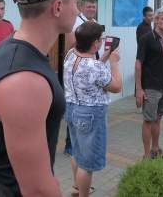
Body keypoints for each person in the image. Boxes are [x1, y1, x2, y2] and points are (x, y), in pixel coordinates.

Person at [0, 0, 95, 196]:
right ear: (58, 7)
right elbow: (38, 191)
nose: (78, 10)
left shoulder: (7, 49)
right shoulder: (25, 82)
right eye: (76, 2)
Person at [64, 21, 121, 197]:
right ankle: (83, 194)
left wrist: (103, 56)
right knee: (87, 165)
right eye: (101, 39)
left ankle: (77, 187)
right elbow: (116, 86)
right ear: (95, 42)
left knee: (76, 151)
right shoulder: (95, 67)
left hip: (72, 108)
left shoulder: (71, 54)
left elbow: (91, 71)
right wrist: (113, 62)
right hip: (90, 114)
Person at [64, 0, 100, 156]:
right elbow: (69, 47)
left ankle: (85, 142)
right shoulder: (76, 23)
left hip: (92, 69)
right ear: (81, 8)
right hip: (79, 71)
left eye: (94, 7)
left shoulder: (96, 23)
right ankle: (70, 145)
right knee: (76, 106)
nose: (92, 9)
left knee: (88, 108)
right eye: (89, 7)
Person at [135, 8, 163, 159]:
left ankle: (155, 149)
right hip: (150, 86)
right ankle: (146, 155)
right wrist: (139, 89)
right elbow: (138, 64)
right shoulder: (147, 38)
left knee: (158, 118)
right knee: (148, 121)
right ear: (156, 20)